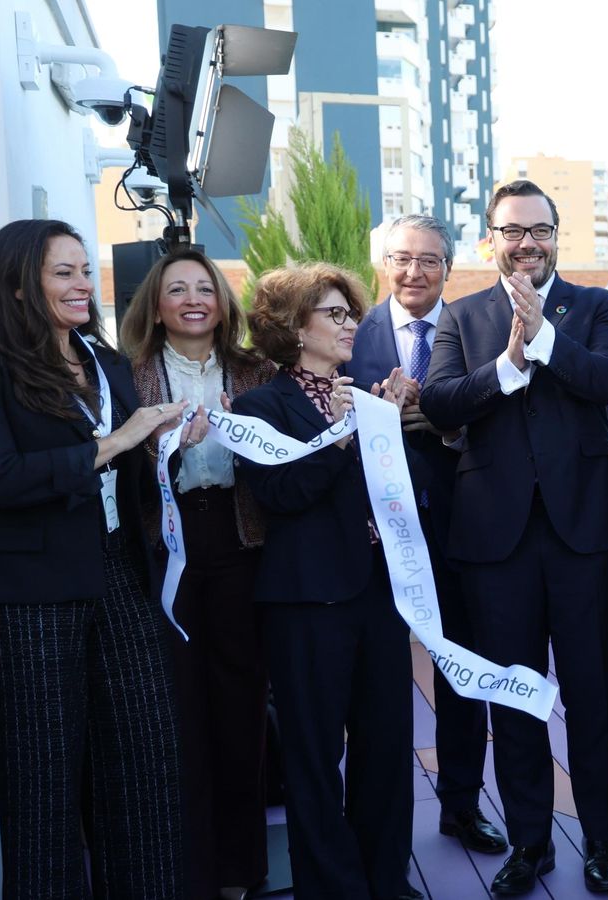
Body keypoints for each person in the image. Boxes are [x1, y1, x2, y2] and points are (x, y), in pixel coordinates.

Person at [0, 219, 188, 898]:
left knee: (146, 768)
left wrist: (160, 444)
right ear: (18, 285)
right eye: (64, 272)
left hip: (119, 571)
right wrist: (117, 441)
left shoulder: (107, 361)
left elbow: (126, 467)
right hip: (29, 593)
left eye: (85, 270)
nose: (84, 284)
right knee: (43, 783)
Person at [421, 180, 608, 896]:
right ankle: (530, 843)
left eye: (538, 230)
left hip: (586, 536)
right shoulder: (461, 315)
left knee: (590, 696)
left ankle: (604, 840)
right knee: (513, 698)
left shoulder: (597, 307)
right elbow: (440, 399)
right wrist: (508, 368)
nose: (526, 243)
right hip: (494, 540)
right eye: (511, 231)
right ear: (492, 239)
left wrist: (543, 336)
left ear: (557, 235)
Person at [233, 263, 421, 900]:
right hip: (306, 602)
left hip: (377, 594)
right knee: (314, 761)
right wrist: (341, 436)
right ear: (292, 326)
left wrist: (385, 424)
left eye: (352, 314)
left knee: (388, 751)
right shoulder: (260, 404)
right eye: (334, 315)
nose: (350, 326)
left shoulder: (364, 397)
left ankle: (384, 881)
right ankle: (335, 890)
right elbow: (282, 494)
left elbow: (390, 496)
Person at [347, 215, 507, 857]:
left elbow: (496, 425)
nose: (415, 272)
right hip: (369, 533)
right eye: (402, 259)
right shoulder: (350, 334)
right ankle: (373, 821)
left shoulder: (476, 330)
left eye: (430, 261)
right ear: (384, 263)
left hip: (455, 525)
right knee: (375, 679)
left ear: (450, 266)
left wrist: (441, 424)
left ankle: (462, 807)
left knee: (459, 669)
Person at [118, 248, 276, 899]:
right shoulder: (130, 376)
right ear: (155, 304)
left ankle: (242, 871)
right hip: (167, 548)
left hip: (239, 542)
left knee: (241, 706)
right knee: (179, 708)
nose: (191, 300)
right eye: (176, 289)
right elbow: (119, 470)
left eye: (203, 289)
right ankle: (192, 870)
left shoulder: (255, 371)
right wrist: (160, 447)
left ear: (222, 301)